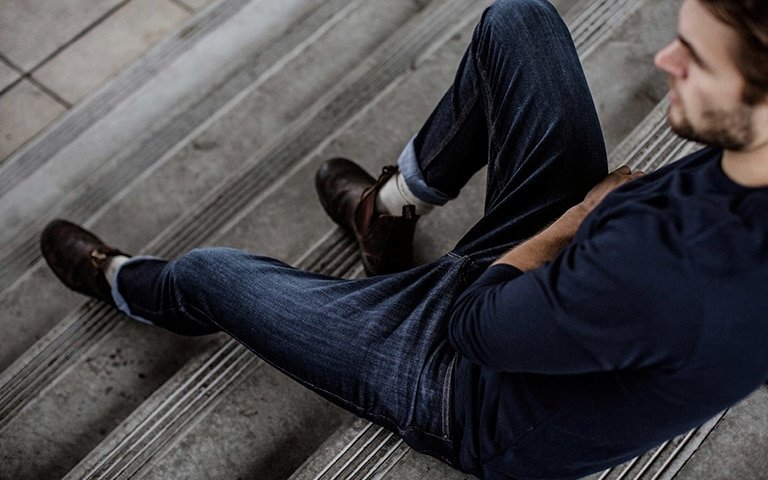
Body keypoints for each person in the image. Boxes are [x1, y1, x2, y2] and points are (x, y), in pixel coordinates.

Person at [40, 0, 768, 478]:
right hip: (574, 286)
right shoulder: (744, 163)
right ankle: (386, 212)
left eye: (696, 60)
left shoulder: (667, 270)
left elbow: (475, 326)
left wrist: (578, 216)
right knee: (518, 24)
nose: (664, 60)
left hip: (468, 385)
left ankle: (127, 284)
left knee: (211, 272)